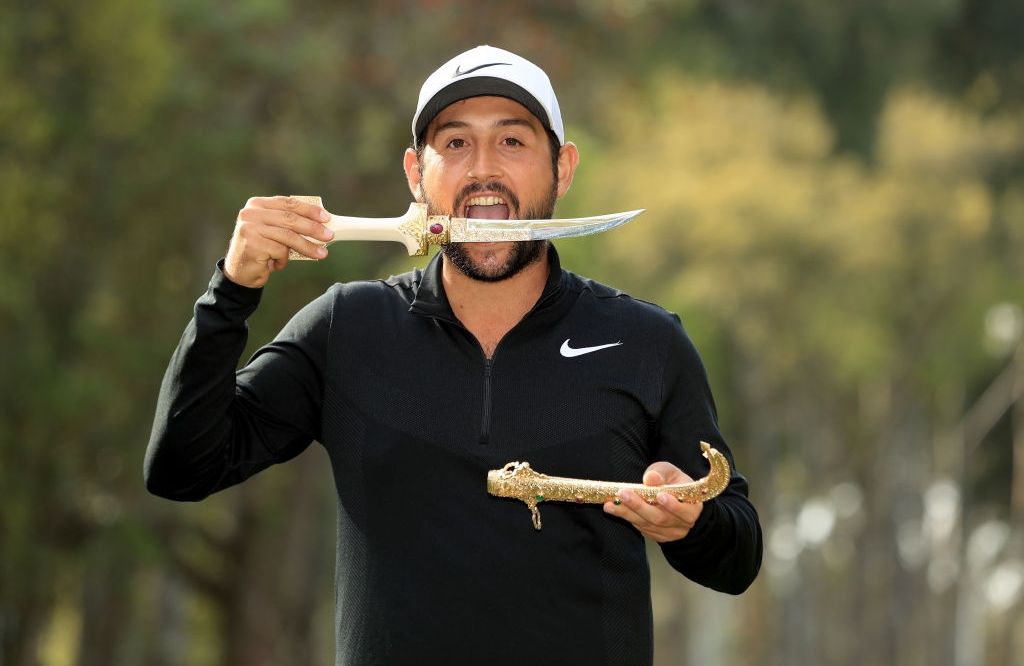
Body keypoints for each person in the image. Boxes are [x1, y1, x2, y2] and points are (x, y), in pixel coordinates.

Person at [145, 45, 762, 665]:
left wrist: (693, 525)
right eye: (457, 144)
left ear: (563, 168)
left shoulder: (645, 341)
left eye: (513, 142)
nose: (483, 170)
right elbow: (182, 467)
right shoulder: (348, 328)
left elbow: (739, 555)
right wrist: (233, 287)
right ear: (416, 173)